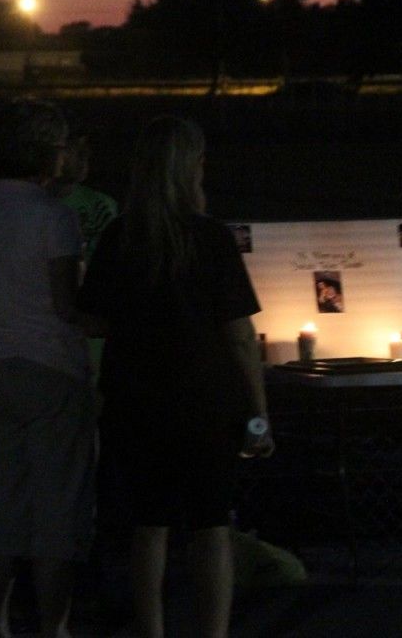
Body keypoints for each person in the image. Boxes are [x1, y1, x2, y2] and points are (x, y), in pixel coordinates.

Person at [76, 115, 273, 638]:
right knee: (211, 527)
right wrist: (258, 414)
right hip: (207, 402)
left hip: (134, 400)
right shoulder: (211, 238)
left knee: (149, 527)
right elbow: (238, 335)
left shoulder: (121, 237)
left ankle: (151, 630)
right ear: (192, 167)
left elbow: (91, 319)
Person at [0, 99, 96, 638]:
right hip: (50, 368)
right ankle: (53, 627)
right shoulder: (54, 216)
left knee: (3, 504)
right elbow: (67, 305)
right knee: (58, 507)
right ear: (47, 153)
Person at [54, 124, 118, 265]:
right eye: (75, 149)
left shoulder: (102, 205)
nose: (84, 156)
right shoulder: (34, 205)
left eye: (86, 150)